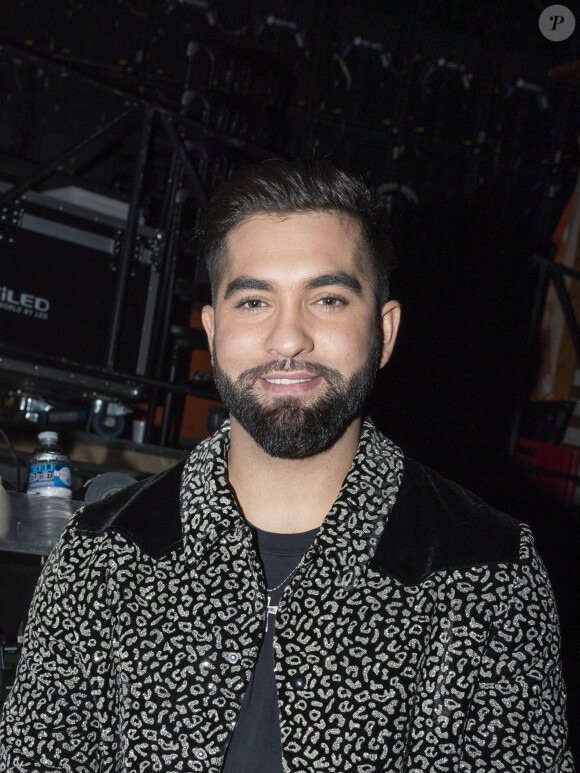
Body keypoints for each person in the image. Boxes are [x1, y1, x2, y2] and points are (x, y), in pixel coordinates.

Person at [0, 159, 575, 772]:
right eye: (254, 301)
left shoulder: (485, 566)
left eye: (327, 299)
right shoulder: (101, 553)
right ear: (215, 330)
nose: (288, 337)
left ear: (384, 332)